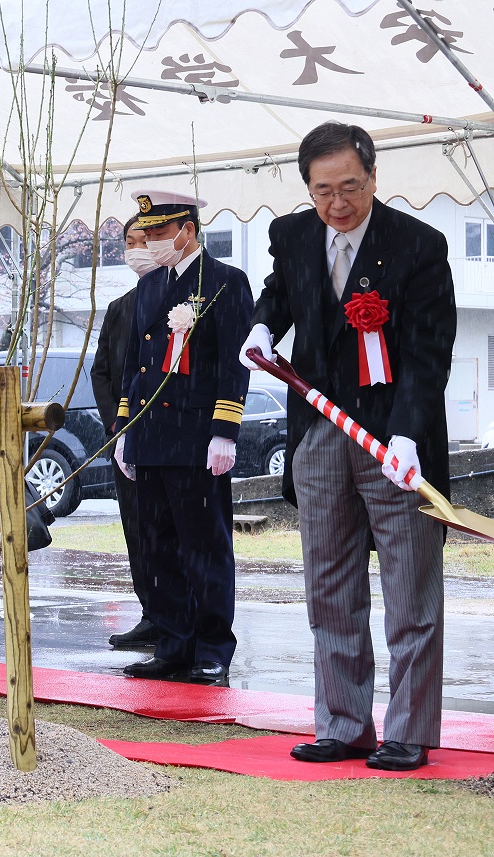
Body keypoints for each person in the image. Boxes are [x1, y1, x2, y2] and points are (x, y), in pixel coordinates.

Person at [242, 122, 456, 772]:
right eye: (323, 190)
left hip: (394, 440)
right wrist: (262, 324)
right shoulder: (292, 234)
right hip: (319, 431)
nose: (338, 203)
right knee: (329, 585)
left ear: (373, 177)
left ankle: (408, 730)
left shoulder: (418, 245)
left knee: (410, 589)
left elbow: (428, 352)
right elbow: (281, 293)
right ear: (308, 187)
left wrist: (408, 435)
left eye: (351, 187)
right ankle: (342, 722)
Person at [113, 189, 252, 682]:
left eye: (159, 231)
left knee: (204, 547)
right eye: (145, 232)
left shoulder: (225, 281)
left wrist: (225, 431)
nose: (150, 241)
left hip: (196, 437)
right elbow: (135, 364)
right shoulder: (151, 284)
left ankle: (212, 647)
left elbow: (234, 362)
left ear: (187, 230)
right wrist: (125, 429)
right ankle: (173, 643)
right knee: (159, 548)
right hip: (152, 435)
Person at [92, 216, 159, 649]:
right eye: (129, 242)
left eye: (145, 240)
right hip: (125, 439)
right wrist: (116, 426)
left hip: (169, 438)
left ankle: (180, 617)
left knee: (169, 531)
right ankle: (150, 612)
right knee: (136, 528)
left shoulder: (185, 298)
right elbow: (101, 371)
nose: (137, 250)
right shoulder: (119, 308)